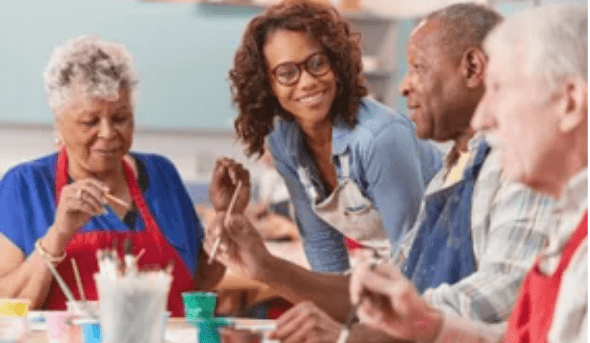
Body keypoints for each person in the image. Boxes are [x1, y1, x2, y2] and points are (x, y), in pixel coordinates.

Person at [207, 4, 554, 341]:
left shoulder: (518, 165)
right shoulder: (446, 176)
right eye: (286, 72)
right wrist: (267, 267)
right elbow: (395, 289)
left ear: (473, 66)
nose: (404, 87)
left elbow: (497, 296)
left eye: (418, 67)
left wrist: (354, 336)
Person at [350, 4, 587, 343]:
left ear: (570, 103)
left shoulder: (524, 177)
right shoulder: (570, 223)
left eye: (502, 89)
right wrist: (427, 328)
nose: (482, 120)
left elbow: (502, 292)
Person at [0, 35, 225, 317]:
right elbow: (6, 310)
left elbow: (196, 284)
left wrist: (226, 219)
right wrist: (58, 234)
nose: (107, 133)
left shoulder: (161, 175)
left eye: (120, 118)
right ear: (59, 123)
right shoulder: (24, 187)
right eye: (90, 121)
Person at [222, 0, 443, 271]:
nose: (307, 82)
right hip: (416, 268)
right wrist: (332, 312)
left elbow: (412, 252)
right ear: (268, 84)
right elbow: (321, 242)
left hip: (454, 260)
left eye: (317, 63)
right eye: (287, 73)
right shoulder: (283, 141)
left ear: (337, 63)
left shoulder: (378, 137)